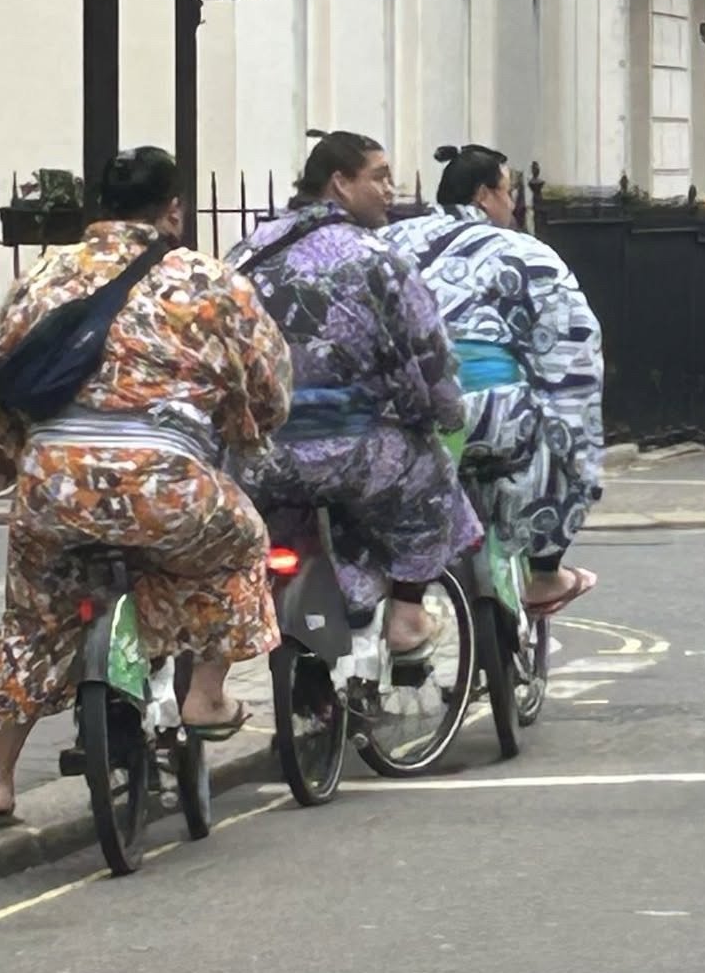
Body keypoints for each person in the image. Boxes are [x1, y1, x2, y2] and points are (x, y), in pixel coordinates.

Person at [0, 147, 292, 826]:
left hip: (53, 482)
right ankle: (205, 696)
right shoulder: (205, 279)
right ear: (172, 208)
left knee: (31, 621)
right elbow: (265, 383)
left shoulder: (44, 274)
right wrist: (248, 429)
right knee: (241, 541)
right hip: (165, 482)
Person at [227, 130, 481, 653]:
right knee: (431, 482)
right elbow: (427, 353)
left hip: (256, 457)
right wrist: (443, 413)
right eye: (380, 177)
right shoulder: (376, 258)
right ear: (340, 183)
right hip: (354, 453)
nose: (390, 190)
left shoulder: (244, 253)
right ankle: (408, 615)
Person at [385, 143, 604, 617]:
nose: (514, 205)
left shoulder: (390, 241)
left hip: (399, 416)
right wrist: (569, 420)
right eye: (510, 193)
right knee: (557, 442)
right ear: (485, 195)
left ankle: (401, 600)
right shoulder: (524, 250)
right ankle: (545, 573)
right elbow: (572, 344)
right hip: (487, 412)